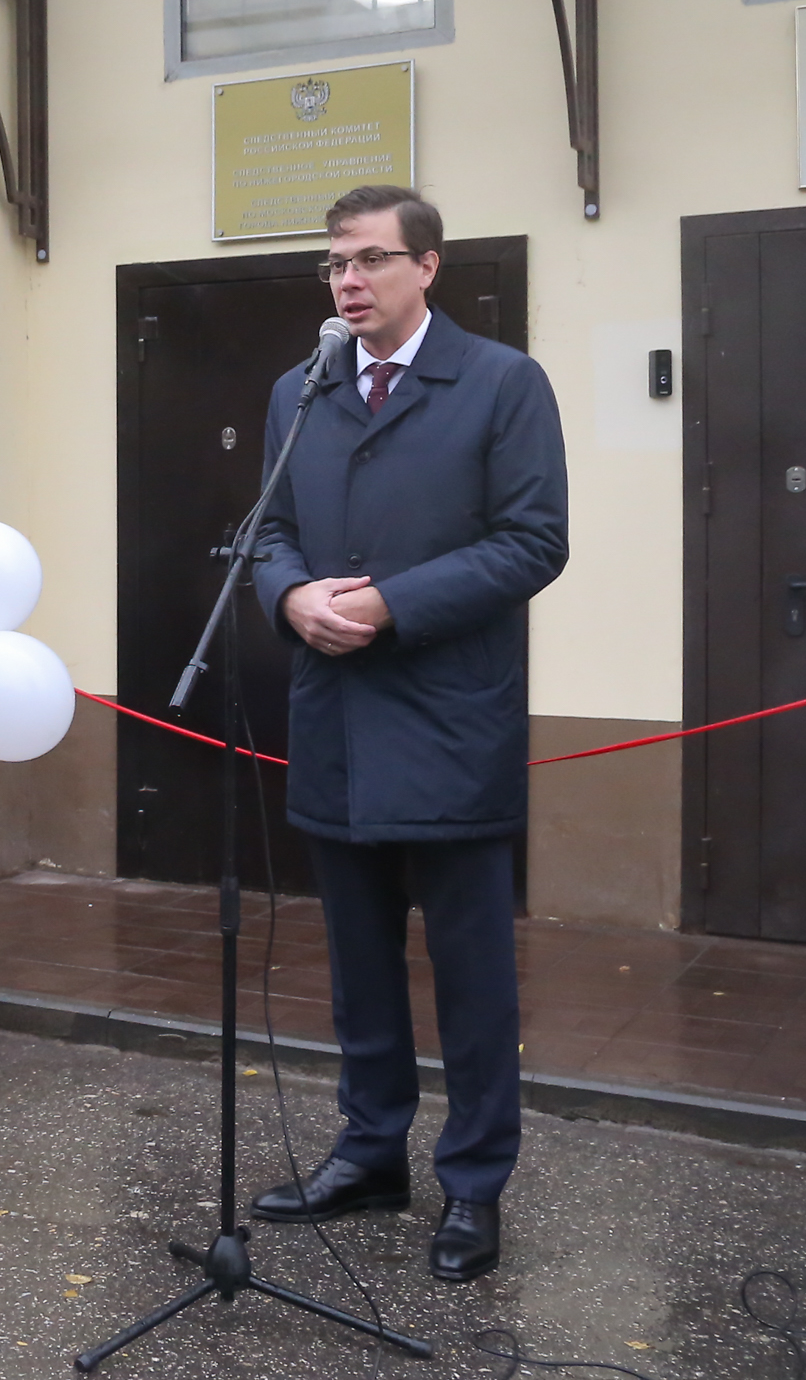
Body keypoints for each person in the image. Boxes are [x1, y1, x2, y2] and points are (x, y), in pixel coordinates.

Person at [246, 186, 568, 1284]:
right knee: (357, 971)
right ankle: (369, 1151)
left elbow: (533, 541)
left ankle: (473, 1182)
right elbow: (268, 535)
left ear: (427, 267)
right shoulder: (302, 389)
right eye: (335, 261)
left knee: (471, 975)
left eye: (372, 258)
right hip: (334, 721)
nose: (348, 279)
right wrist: (290, 596)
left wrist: (388, 603)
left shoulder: (500, 383)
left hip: (446, 722)